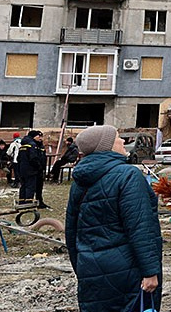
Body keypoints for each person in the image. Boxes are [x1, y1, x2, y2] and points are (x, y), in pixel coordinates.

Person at [66, 124, 162, 312]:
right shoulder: (129, 176)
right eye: (118, 138)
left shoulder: (79, 181)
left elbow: (71, 231)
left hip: (90, 267)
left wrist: (80, 266)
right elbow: (140, 227)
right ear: (107, 146)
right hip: (127, 270)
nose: (123, 141)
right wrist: (150, 271)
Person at [17, 130, 48, 208]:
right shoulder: (32, 145)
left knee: (23, 185)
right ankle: (28, 203)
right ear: (34, 136)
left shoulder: (23, 145)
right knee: (30, 186)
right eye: (38, 136)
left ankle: (22, 201)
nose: (40, 138)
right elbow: (33, 158)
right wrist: (39, 167)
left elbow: (18, 158)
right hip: (31, 169)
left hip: (22, 169)